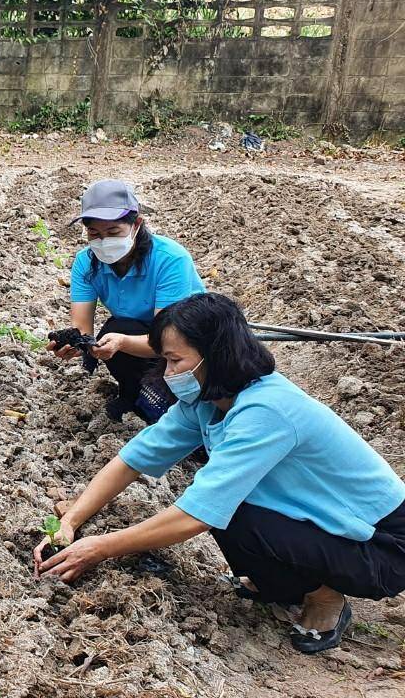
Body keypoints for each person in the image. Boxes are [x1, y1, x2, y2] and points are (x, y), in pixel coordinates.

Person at [35, 293, 405, 654]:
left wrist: (98, 548)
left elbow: (194, 516)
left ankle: (324, 597)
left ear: (215, 355)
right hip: (327, 525)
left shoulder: (266, 411)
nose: (168, 373)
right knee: (230, 507)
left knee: (226, 508)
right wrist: (71, 520)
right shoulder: (207, 401)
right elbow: (134, 458)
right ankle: (283, 583)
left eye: (175, 360)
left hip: (383, 546)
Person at [46, 179, 204, 423]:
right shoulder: (86, 263)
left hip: (185, 341)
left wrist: (121, 343)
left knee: (120, 333)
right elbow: (82, 328)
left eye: (113, 233)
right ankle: (133, 394)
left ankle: (173, 405)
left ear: (136, 224)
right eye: (94, 234)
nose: (103, 242)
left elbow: (168, 340)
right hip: (139, 333)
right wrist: (76, 345)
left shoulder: (170, 259)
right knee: (116, 331)